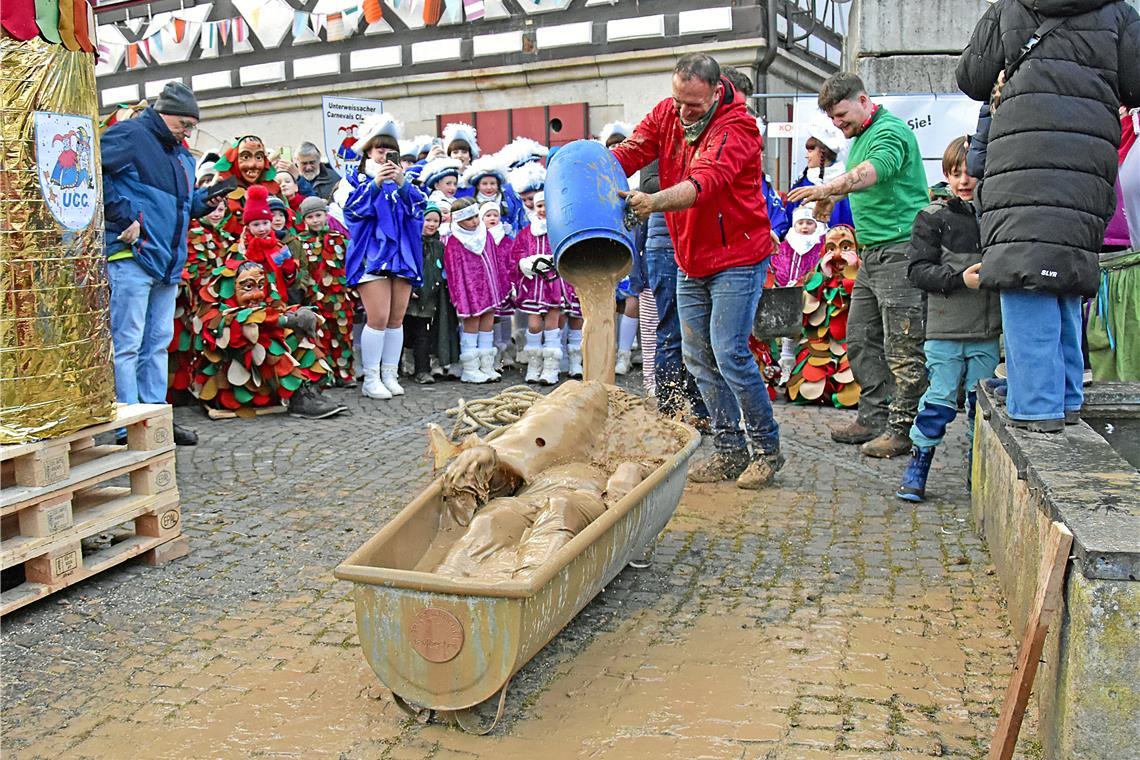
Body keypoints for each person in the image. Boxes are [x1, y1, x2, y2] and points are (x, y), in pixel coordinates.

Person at [957, 0, 1140, 431]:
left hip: (1021, 165)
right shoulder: (1118, 13)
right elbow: (1135, 85)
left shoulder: (1010, 8)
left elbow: (972, 78)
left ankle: (1037, 405)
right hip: (1086, 166)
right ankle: (1065, 394)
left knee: (1024, 275)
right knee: (1065, 276)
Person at [613, 53, 782, 489]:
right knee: (697, 356)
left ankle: (766, 449)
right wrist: (593, 165)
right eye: (678, 101)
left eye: (693, 104)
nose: (683, 111)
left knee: (729, 352)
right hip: (691, 257)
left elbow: (702, 183)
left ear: (716, 91)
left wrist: (652, 202)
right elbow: (633, 151)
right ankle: (729, 450)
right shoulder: (667, 112)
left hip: (737, 257)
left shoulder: (737, 127)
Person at [787, 71, 931, 458]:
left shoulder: (889, 132)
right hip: (874, 253)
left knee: (902, 346)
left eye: (842, 115)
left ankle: (903, 429)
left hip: (900, 250)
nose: (838, 124)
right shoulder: (862, 135)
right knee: (860, 338)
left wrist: (827, 188)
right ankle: (873, 417)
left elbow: (870, 173)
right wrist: (831, 199)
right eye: (832, 118)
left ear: (864, 100)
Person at [101, 81, 213, 446]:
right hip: (132, 255)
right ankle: (128, 424)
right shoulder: (131, 134)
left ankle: (154, 418)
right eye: (185, 124)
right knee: (129, 342)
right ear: (165, 115)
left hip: (166, 260)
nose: (188, 132)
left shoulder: (181, 154)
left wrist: (207, 201)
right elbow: (92, 172)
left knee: (157, 343)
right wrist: (123, 215)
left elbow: (181, 207)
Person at [896, 137, 1001, 502]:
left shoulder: (995, 216)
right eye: (955, 173)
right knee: (938, 401)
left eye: (971, 172)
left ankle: (977, 472)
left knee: (980, 407)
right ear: (946, 175)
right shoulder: (932, 217)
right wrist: (959, 280)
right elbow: (917, 271)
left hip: (986, 332)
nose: (964, 181)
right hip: (944, 330)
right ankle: (919, 463)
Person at [342, 113, 426, 401]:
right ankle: (371, 377)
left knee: (396, 318)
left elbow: (420, 211)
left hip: (401, 255)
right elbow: (352, 213)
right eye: (380, 149)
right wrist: (375, 185)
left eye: (390, 149)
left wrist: (403, 185)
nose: (384, 155)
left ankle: (390, 374)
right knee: (377, 317)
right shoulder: (355, 179)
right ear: (368, 151)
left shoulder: (406, 181)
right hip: (372, 255)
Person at [784, 224, 862, 409]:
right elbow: (804, 312)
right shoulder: (814, 277)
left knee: (854, 386)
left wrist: (853, 273)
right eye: (831, 248)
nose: (838, 254)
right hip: (820, 345)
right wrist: (824, 278)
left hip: (853, 343)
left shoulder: (866, 274)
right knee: (807, 384)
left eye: (845, 247)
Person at [444, 197, 512, 383]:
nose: (474, 221)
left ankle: (486, 365)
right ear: (458, 220)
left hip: (489, 288)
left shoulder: (485, 234)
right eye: (469, 219)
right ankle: (470, 368)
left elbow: (495, 259)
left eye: (475, 216)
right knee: (472, 325)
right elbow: (454, 271)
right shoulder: (454, 241)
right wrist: (460, 296)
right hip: (470, 291)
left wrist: (500, 283)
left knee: (488, 324)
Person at [296, 196, 355, 386]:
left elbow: (350, 264)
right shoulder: (300, 242)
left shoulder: (338, 238)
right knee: (320, 335)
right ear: (304, 220)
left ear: (326, 215)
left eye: (318, 215)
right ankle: (325, 374)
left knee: (342, 335)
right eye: (310, 217)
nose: (315, 220)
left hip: (339, 297)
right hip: (315, 297)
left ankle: (345, 374)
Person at [770, 205, 827, 383]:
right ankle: (786, 362)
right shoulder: (788, 243)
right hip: (789, 290)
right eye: (800, 223)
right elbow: (779, 262)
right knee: (789, 328)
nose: (804, 227)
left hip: (813, 293)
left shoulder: (821, 242)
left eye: (809, 223)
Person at [513, 192, 564, 385]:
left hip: (554, 282)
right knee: (534, 325)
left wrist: (554, 261)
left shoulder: (559, 229)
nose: (543, 210)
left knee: (552, 323)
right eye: (539, 206)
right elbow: (517, 252)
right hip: (534, 284)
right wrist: (525, 263)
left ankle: (551, 367)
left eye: (546, 205)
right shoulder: (527, 232)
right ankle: (534, 363)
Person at [404, 204, 446, 385]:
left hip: (428, 298)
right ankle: (402, 366)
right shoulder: (411, 242)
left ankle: (422, 370)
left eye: (436, 221)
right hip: (409, 296)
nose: (432, 224)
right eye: (428, 220)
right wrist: (410, 288)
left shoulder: (438, 245)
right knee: (405, 332)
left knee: (423, 334)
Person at [785, 121, 855, 229]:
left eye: (810, 151)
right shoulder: (801, 183)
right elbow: (790, 220)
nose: (806, 156)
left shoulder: (846, 184)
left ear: (823, 153)